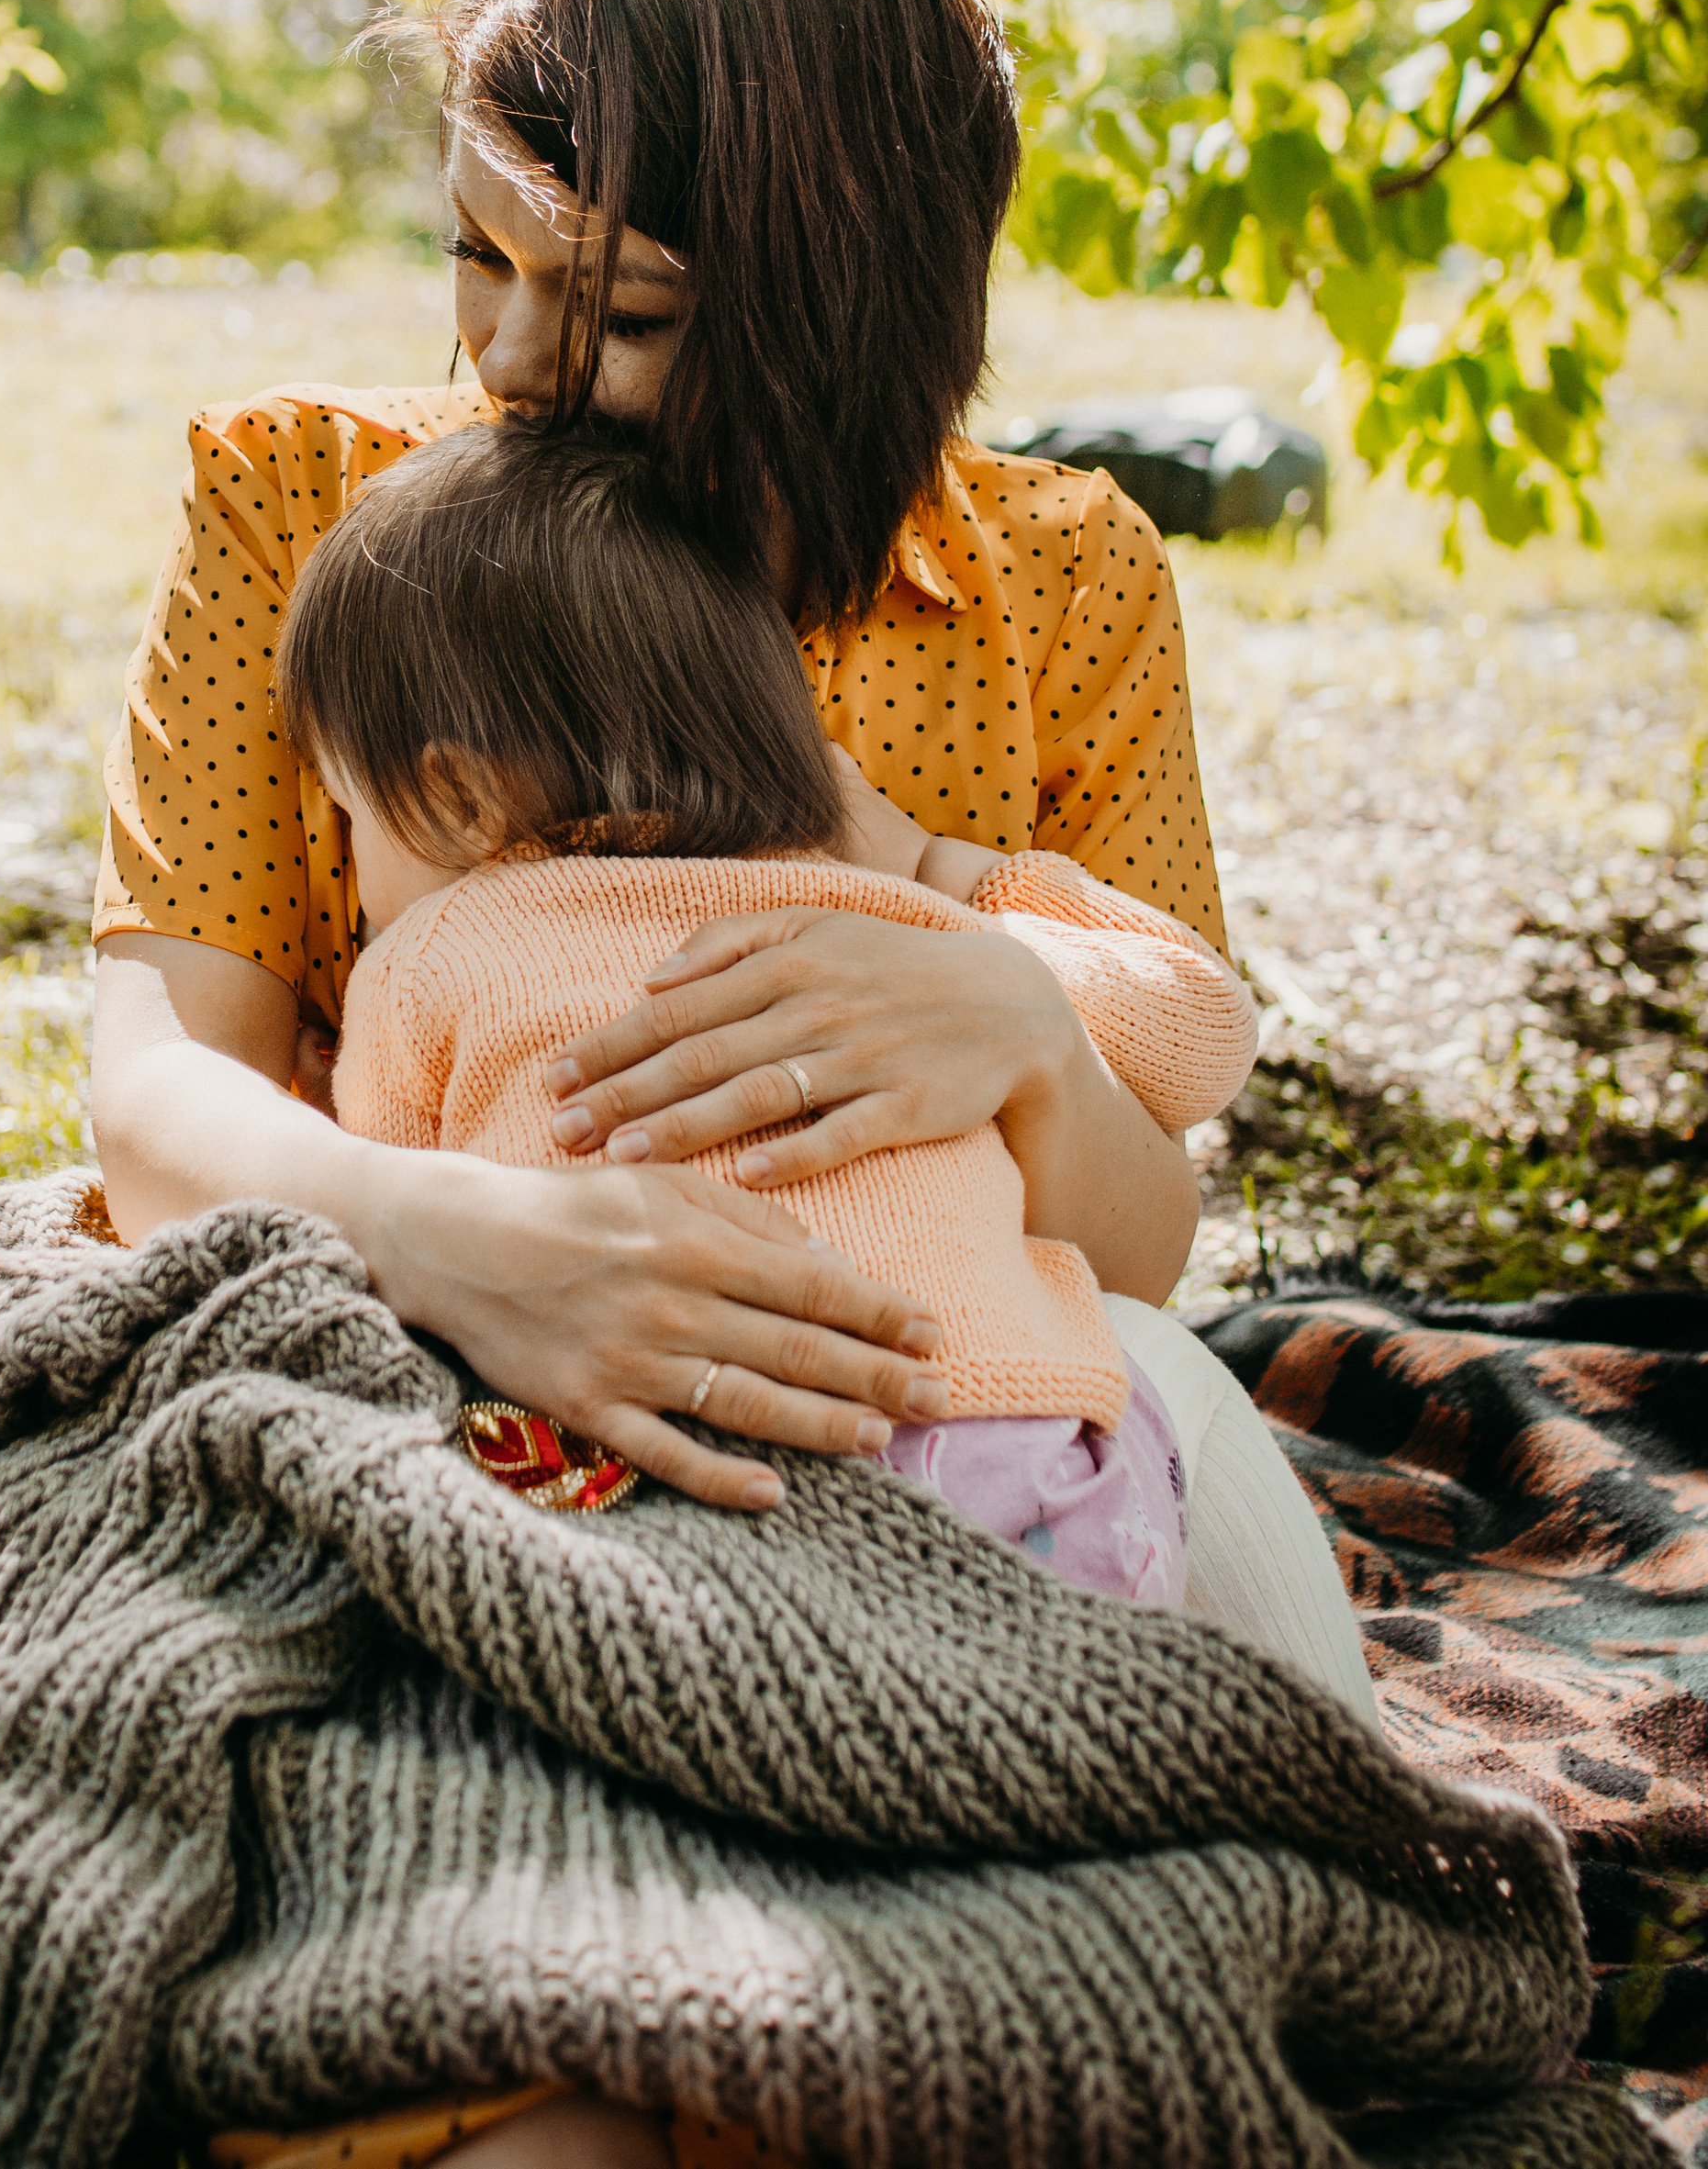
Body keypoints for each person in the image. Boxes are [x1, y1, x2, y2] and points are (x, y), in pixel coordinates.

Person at [89, 0, 1375, 2169]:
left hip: (941, 1395)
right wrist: (448, 1241)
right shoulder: (323, 513)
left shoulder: (1053, 585)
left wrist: (1009, 1021)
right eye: (465, 249)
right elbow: (155, 1085)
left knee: (1168, 1492)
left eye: (613, 301)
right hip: (427, 1338)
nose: (494, 347)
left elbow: (1143, 1234)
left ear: (834, 300)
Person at [277, 412, 1268, 1606]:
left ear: (452, 792)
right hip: (1012, 1463)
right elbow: (1208, 1033)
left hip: (650, 1490)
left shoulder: (424, 955)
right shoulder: (870, 917)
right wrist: (933, 862)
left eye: (348, 812)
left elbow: (380, 1246)